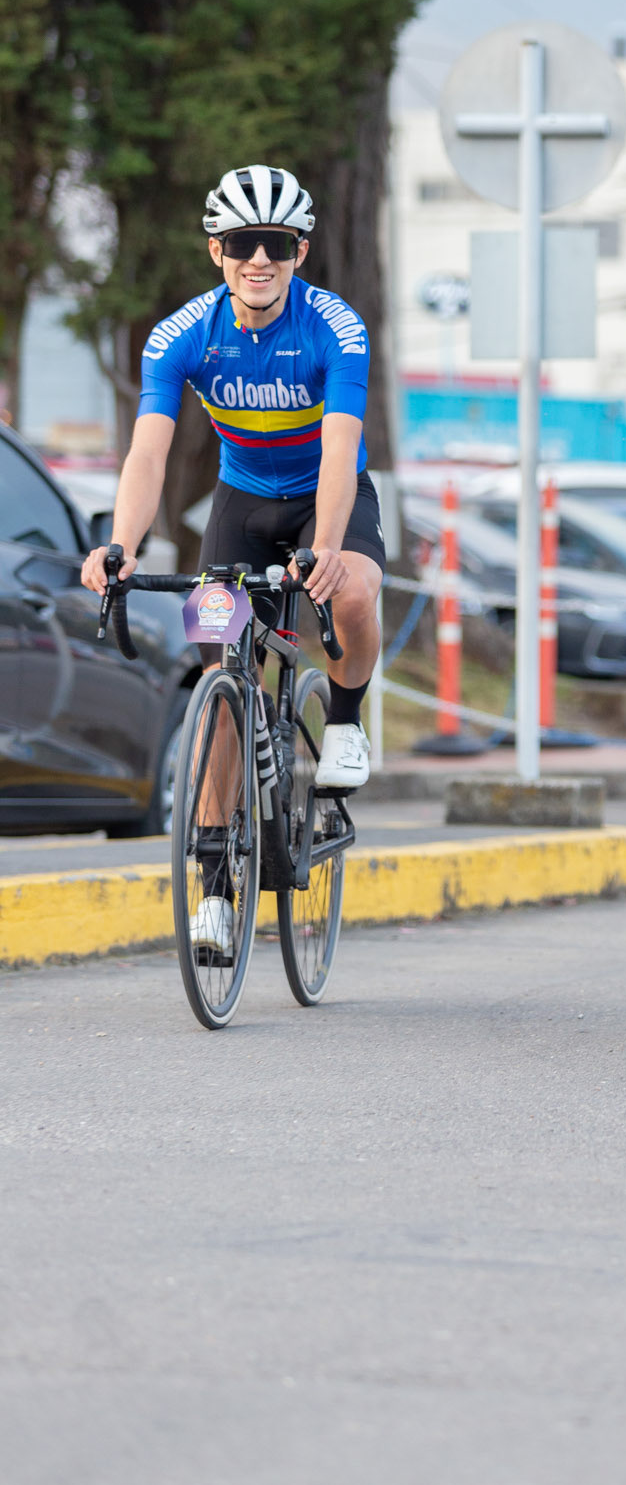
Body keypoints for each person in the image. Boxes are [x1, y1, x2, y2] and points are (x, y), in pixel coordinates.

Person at [82, 165, 384, 959]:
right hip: (239, 509)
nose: (260, 260)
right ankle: (215, 889)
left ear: (300, 250)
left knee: (353, 589)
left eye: (276, 245)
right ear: (216, 250)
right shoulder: (181, 335)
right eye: (243, 244)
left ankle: (347, 722)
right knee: (220, 677)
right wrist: (123, 545)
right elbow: (149, 453)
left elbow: (341, 449)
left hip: (329, 496)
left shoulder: (336, 327)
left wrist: (322, 547)